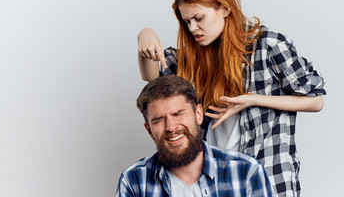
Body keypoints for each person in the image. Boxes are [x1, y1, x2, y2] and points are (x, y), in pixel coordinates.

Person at [137, 0, 326, 196]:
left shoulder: (268, 45)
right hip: (219, 177)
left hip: (269, 173)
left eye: (199, 18)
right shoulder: (193, 58)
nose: (193, 28)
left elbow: (315, 101)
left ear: (224, 9)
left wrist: (253, 99)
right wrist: (144, 35)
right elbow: (151, 76)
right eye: (187, 21)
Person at [116, 75, 273, 196]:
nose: (170, 127)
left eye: (178, 114)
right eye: (158, 120)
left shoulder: (246, 172)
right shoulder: (133, 180)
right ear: (149, 130)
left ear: (198, 114)